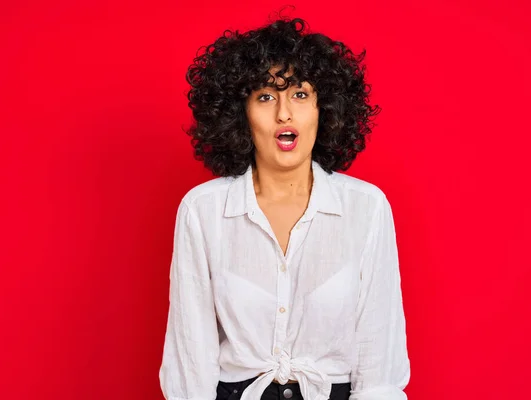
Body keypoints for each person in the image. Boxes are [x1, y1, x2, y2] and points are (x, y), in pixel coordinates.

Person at [159, 16, 410, 400]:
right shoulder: (202, 211)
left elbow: (380, 362)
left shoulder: (367, 208)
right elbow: (189, 357)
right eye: (265, 97)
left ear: (323, 108)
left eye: (299, 95)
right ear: (240, 114)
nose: (283, 113)